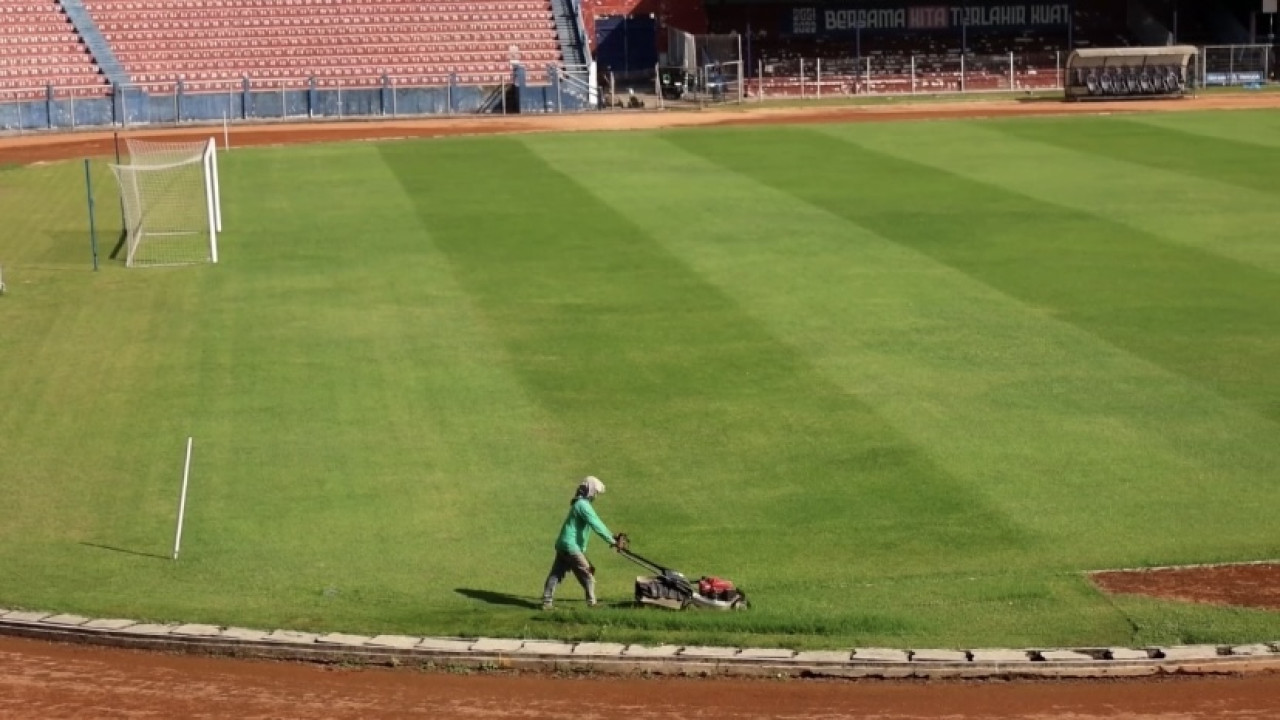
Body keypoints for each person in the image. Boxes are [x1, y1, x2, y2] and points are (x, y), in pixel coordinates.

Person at [541, 476, 620, 611]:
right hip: (571, 547)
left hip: (563, 544)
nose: (596, 495)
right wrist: (612, 541)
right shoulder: (583, 506)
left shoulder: (578, 504)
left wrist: (612, 538)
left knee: (556, 574)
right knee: (588, 574)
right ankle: (592, 603)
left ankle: (547, 602)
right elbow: (596, 524)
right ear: (590, 491)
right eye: (595, 492)